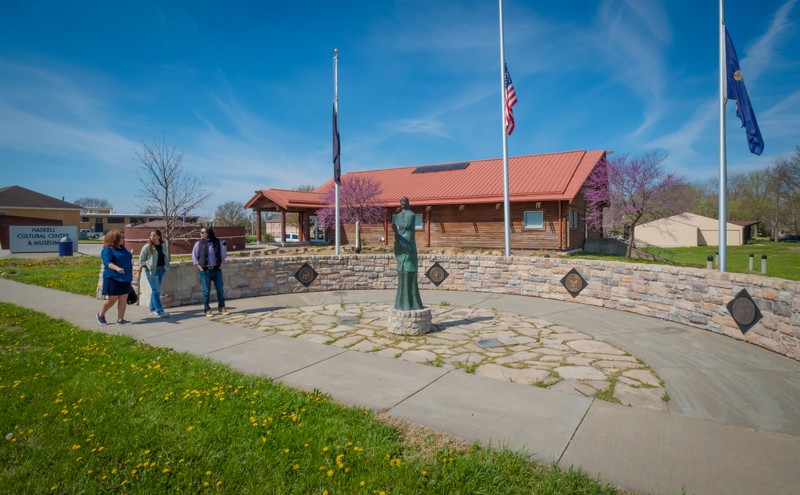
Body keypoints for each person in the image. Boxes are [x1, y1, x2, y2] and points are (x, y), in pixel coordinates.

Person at [392, 196, 424, 310]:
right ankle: (401, 302)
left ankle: (412, 303)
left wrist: (405, 242)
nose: (402, 203)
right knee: (401, 272)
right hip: (400, 243)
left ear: (408, 202)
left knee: (409, 271)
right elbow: (399, 229)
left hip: (409, 243)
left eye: (404, 201)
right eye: (400, 201)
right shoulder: (399, 215)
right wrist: (396, 234)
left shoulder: (411, 214)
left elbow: (407, 228)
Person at [97, 229, 134, 325]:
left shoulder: (122, 248)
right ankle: (101, 314)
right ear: (115, 239)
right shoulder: (107, 250)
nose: (123, 239)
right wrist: (117, 268)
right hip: (112, 277)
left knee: (124, 297)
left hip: (125, 277)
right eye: (121, 237)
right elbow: (107, 262)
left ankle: (120, 320)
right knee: (112, 299)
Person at [192, 226, 228, 317]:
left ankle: (222, 307)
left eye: (202, 232)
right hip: (205, 271)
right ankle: (207, 309)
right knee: (206, 291)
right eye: (200, 232)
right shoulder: (198, 244)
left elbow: (223, 255)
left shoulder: (217, 242)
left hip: (216, 270)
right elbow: (194, 257)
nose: (200, 234)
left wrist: (220, 265)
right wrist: (200, 268)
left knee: (220, 289)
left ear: (208, 233)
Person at [139, 228, 171, 318]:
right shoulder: (147, 246)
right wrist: (148, 267)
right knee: (156, 291)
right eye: (151, 235)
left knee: (155, 291)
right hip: (152, 271)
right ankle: (160, 311)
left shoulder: (163, 245)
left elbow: (166, 257)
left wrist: (166, 267)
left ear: (159, 236)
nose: (152, 237)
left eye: (154, 235)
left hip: (162, 269)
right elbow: (141, 260)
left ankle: (152, 309)